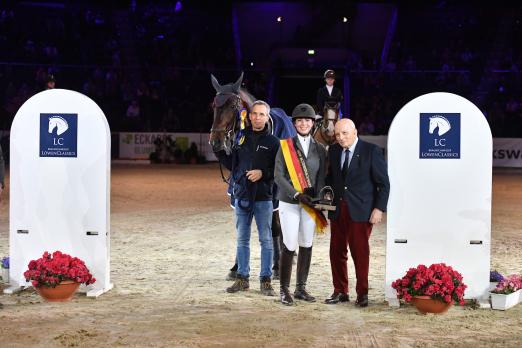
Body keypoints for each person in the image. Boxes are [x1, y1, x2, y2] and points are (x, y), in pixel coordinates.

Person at [215, 100, 280, 296]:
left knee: (266, 240)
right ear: (249, 116)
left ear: (267, 117)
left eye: (261, 114)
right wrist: (218, 150)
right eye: (254, 114)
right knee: (242, 239)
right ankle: (242, 278)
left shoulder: (274, 142)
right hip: (243, 196)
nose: (257, 117)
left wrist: (263, 173)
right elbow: (232, 164)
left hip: (263, 198)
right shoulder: (240, 137)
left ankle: (266, 280)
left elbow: (279, 171)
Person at [325, 119, 389, 307]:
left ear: (354, 132)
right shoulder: (335, 151)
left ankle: (362, 293)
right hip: (338, 210)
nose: (341, 138)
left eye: (344, 133)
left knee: (360, 253)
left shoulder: (371, 151)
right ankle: (340, 291)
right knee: (336, 252)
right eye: (337, 134)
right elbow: (332, 178)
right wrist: (328, 193)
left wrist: (379, 209)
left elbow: (383, 184)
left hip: (362, 211)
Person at [274, 103, 327, 305]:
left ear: (313, 124)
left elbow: (321, 177)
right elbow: (278, 176)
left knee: (307, 243)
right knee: (289, 244)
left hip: (310, 204)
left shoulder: (320, 149)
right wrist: (296, 194)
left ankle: (301, 288)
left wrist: (320, 197)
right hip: (289, 202)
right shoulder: (284, 145)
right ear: (294, 123)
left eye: (307, 120)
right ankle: (284, 290)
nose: (303, 123)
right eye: (299, 120)